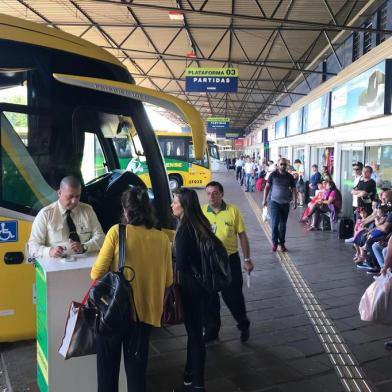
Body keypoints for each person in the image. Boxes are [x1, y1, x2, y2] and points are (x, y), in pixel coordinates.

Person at [91, 187, 173, 392]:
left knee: (107, 375)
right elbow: (168, 280)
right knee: (137, 376)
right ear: (148, 209)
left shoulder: (117, 232)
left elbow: (96, 273)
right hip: (145, 317)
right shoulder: (162, 238)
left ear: (126, 210)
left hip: (114, 314)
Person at [171, 188, 216, 392]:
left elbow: (180, 263)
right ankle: (189, 374)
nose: (172, 204)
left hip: (190, 287)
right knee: (196, 331)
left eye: (175, 201)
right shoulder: (203, 224)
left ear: (184, 205)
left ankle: (198, 383)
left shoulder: (183, 230)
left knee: (195, 334)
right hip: (206, 286)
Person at [202, 181, 254, 344]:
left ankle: (243, 323)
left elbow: (242, 236)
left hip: (229, 260)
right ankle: (212, 330)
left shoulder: (233, 211)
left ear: (222, 194)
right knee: (209, 297)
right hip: (209, 261)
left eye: (215, 193)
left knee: (233, 297)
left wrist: (247, 259)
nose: (211, 196)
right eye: (209, 193)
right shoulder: (202, 212)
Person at [28, 176, 104, 258]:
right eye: (70, 197)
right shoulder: (45, 214)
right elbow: (32, 247)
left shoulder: (87, 210)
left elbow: (101, 237)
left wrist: (84, 247)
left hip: (85, 263)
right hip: (56, 265)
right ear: (59, 193)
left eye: (77, 196)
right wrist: (49, 251)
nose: (74, 201)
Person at [263, 158, 297, 252]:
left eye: (285, 164)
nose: (283, 166)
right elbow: (267, 187)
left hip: (285, 204)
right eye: (281, 164)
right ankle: (274, 243)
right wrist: (264, 199)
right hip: (274, 203)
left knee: (283, 225)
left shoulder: (289, 176)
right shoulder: (273, 175)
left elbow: (294, 189)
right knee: (274, 224)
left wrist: (295, 201)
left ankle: (282, 243)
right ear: (277, 165)